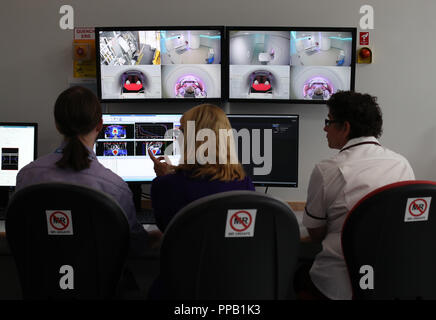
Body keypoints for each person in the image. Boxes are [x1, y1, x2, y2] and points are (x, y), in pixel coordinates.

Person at [16, 86, 157, 257]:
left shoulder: (27, 176)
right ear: (99, 125)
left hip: (42, 280)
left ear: (57, 126)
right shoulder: (115, 187)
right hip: (99, 281)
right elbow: (134, 245)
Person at [300, 91, 415, 300]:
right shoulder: (402, 164)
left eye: (329, 121)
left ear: (345, 127)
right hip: (389, 280)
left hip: (339, 284)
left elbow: (315, 233)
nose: (325, 128)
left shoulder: (327, 170)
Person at [149, 103, 255, 232]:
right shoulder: (245, 185)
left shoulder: (167, 185)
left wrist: (165, 179)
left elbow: (167, 231)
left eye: (181, 131)